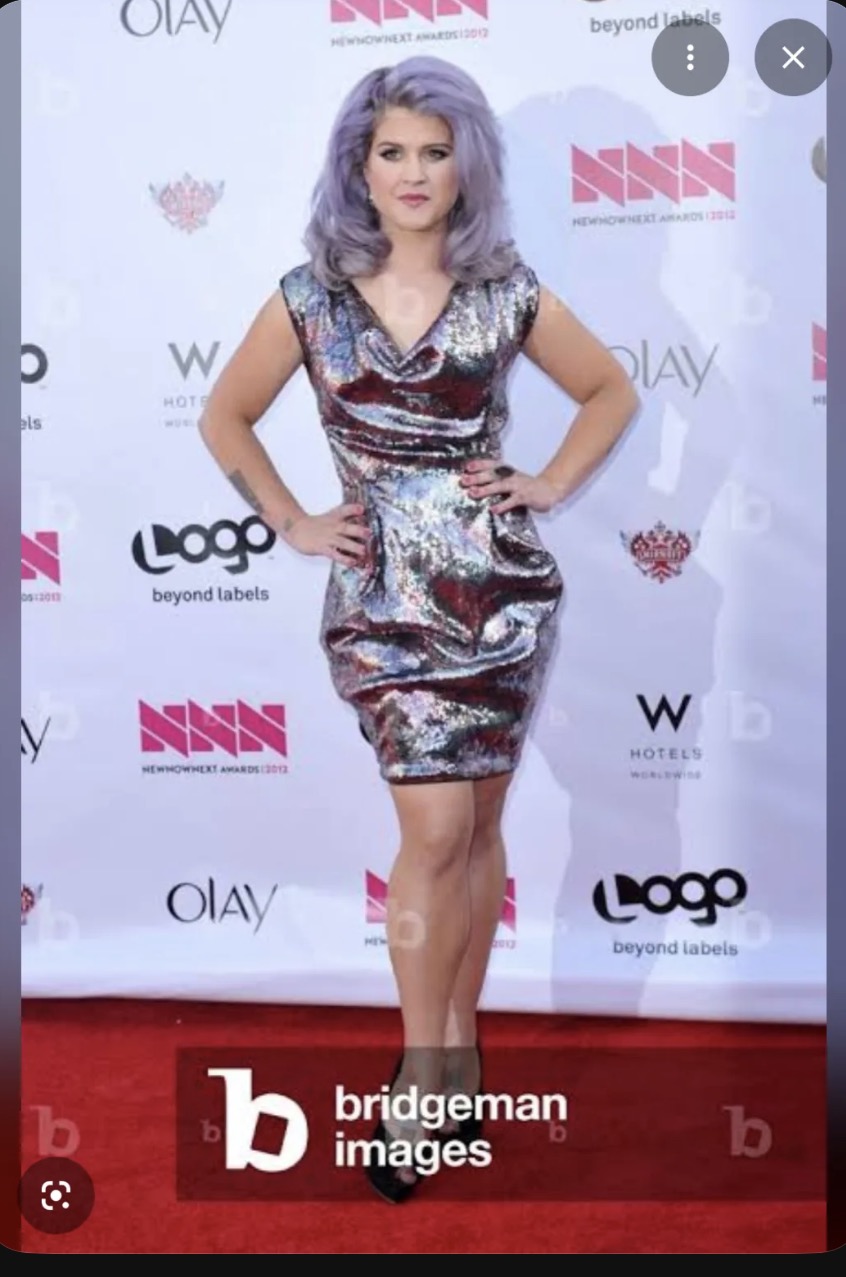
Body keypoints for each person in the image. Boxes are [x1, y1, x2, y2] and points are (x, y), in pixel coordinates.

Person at [198, 55, 638, 1203]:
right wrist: (292, 517)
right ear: (359, 167)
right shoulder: (310, 297)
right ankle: (423, 1066)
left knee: (478, 827)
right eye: (391, 151)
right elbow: (225, 413)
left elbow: (611, 390)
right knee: (435, 827)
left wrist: (547, 481)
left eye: (434, 152)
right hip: (384, 598)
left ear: (465, 167)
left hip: (496, 589)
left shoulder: (508, 290)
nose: (412, 172)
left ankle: (462, 1051)